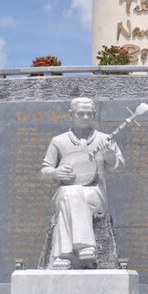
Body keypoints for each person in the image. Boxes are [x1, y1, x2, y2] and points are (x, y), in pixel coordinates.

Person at [41, 97, 124, 269]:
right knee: (71, 193)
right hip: (64, 192)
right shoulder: (59, 141)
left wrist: (109, 156)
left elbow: (119, 168)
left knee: (72, 194)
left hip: (95, 193)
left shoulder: (105, 139)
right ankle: (84, 246)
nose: (85, 117)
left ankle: (63, 255)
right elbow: (45, 171)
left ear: (94, 114)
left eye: (89, 114)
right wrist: (55, 172)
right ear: (71, 114)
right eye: (80, 113)